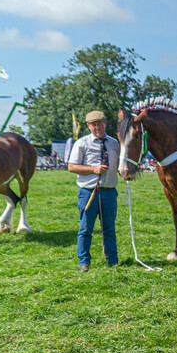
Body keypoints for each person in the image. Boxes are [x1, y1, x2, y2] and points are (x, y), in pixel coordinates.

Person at [67, 110, 120, 272]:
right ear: (89, 126)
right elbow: (71, 167)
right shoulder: (82, 143)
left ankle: (113, 260)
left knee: (109, 229)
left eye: (101, 123)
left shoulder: (114, 143)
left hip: (110, 192)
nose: (98, 127)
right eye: (94, 124)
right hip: (89, 193)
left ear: (105, 123)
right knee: (85, 229)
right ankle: (84, 261)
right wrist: (93, 169)